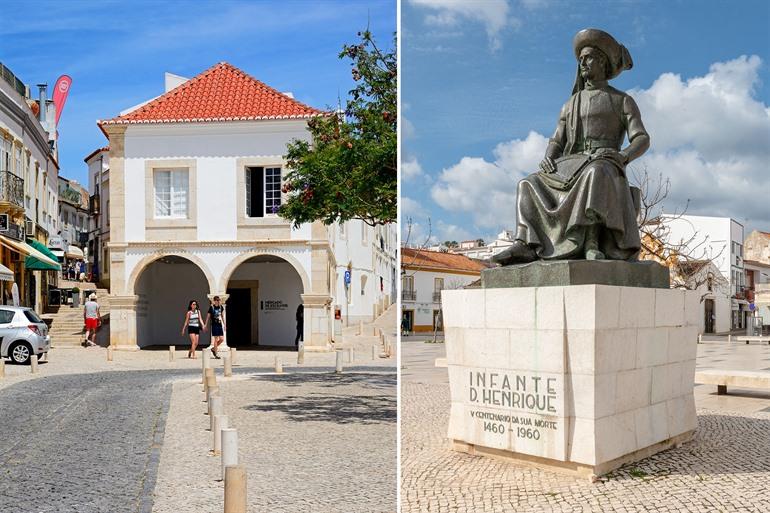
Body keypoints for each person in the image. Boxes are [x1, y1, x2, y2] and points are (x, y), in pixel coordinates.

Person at [492, 28, 650, 265]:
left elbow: (641, 138)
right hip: (571, 163)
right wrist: (549, 156)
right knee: (527, 183)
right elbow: (557, 140)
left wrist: (622, 156)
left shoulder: (622, 100)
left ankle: (591, 242)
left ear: (602, 62)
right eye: (580, 59)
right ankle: (527, 243)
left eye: (588, 58)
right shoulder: (570, 104)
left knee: (594, 172)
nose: (582, 62)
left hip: (605, 163)